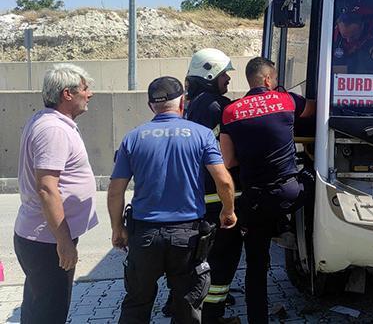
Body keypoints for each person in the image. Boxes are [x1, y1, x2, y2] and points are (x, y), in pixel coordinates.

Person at [108, 76, 237, 324]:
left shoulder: (133, 138)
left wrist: (117, 228)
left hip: (144, 235)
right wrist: (228, 210)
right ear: (183, 103)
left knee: (137, 302)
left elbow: (115, 191)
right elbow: (223, 180)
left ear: (150, 106)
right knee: (187, 305)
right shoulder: (201, 135)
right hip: (186, 237)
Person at [219, 57, 315, 323]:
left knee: (257, 267)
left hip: (255, 201)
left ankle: (257, 319)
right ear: (268, 80)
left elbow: (228, 162)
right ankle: (296, 234)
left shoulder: (230, 112)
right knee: (315, 180)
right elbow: (313, 110)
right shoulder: (285, 100)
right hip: (291, 193)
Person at [13, 63, 98, 324]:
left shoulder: (51, 122)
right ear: (67, 94)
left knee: (41, 308)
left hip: (46, 238)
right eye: (85, 88)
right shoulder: (54, 130)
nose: (90, 94)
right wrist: (64, 242)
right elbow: (47, 188)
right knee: (48, 314)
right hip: (48, 240)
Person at [184, 48, 243, 324]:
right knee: (224, 255)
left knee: (206, 257)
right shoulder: (214, 107)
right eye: (223, 74)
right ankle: (213, 315)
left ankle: (203, 306)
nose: (228, 79)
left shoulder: (196, 102)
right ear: (210, 74)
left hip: (203, 195)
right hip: (216, 198)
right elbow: (224, 155)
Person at [332, 5, 373, 73]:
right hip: (346, 54)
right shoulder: (333, 37)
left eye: (352, 36)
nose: (348, 40)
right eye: (345, 36)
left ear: (362, 26)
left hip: (367, 45)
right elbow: (339, 73)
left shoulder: (372, 17)